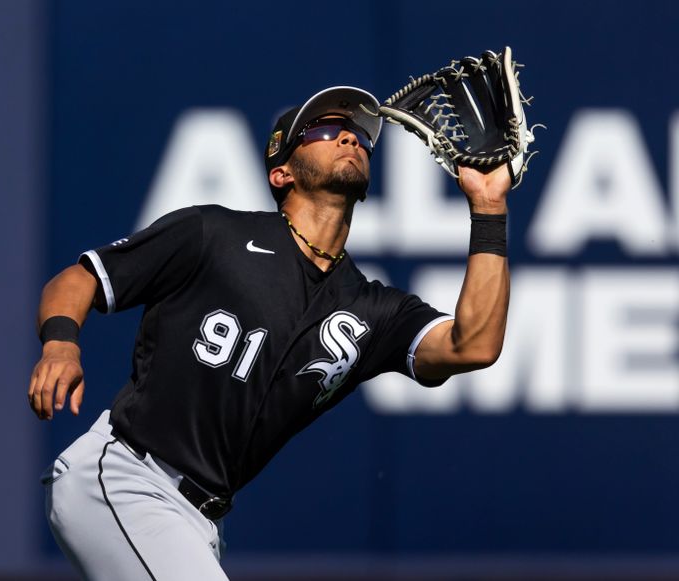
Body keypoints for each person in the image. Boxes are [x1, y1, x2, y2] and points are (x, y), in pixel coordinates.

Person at [28, 86, 511, 580]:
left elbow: (472, 344)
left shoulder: (371, 307)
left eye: (359, 136)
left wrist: (489, 208)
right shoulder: (213, 235)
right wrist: (62, 343)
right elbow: (80, 277)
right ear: (282, 171)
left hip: (199, 519)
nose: (348, 136)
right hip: (126, 475)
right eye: (324, 130)